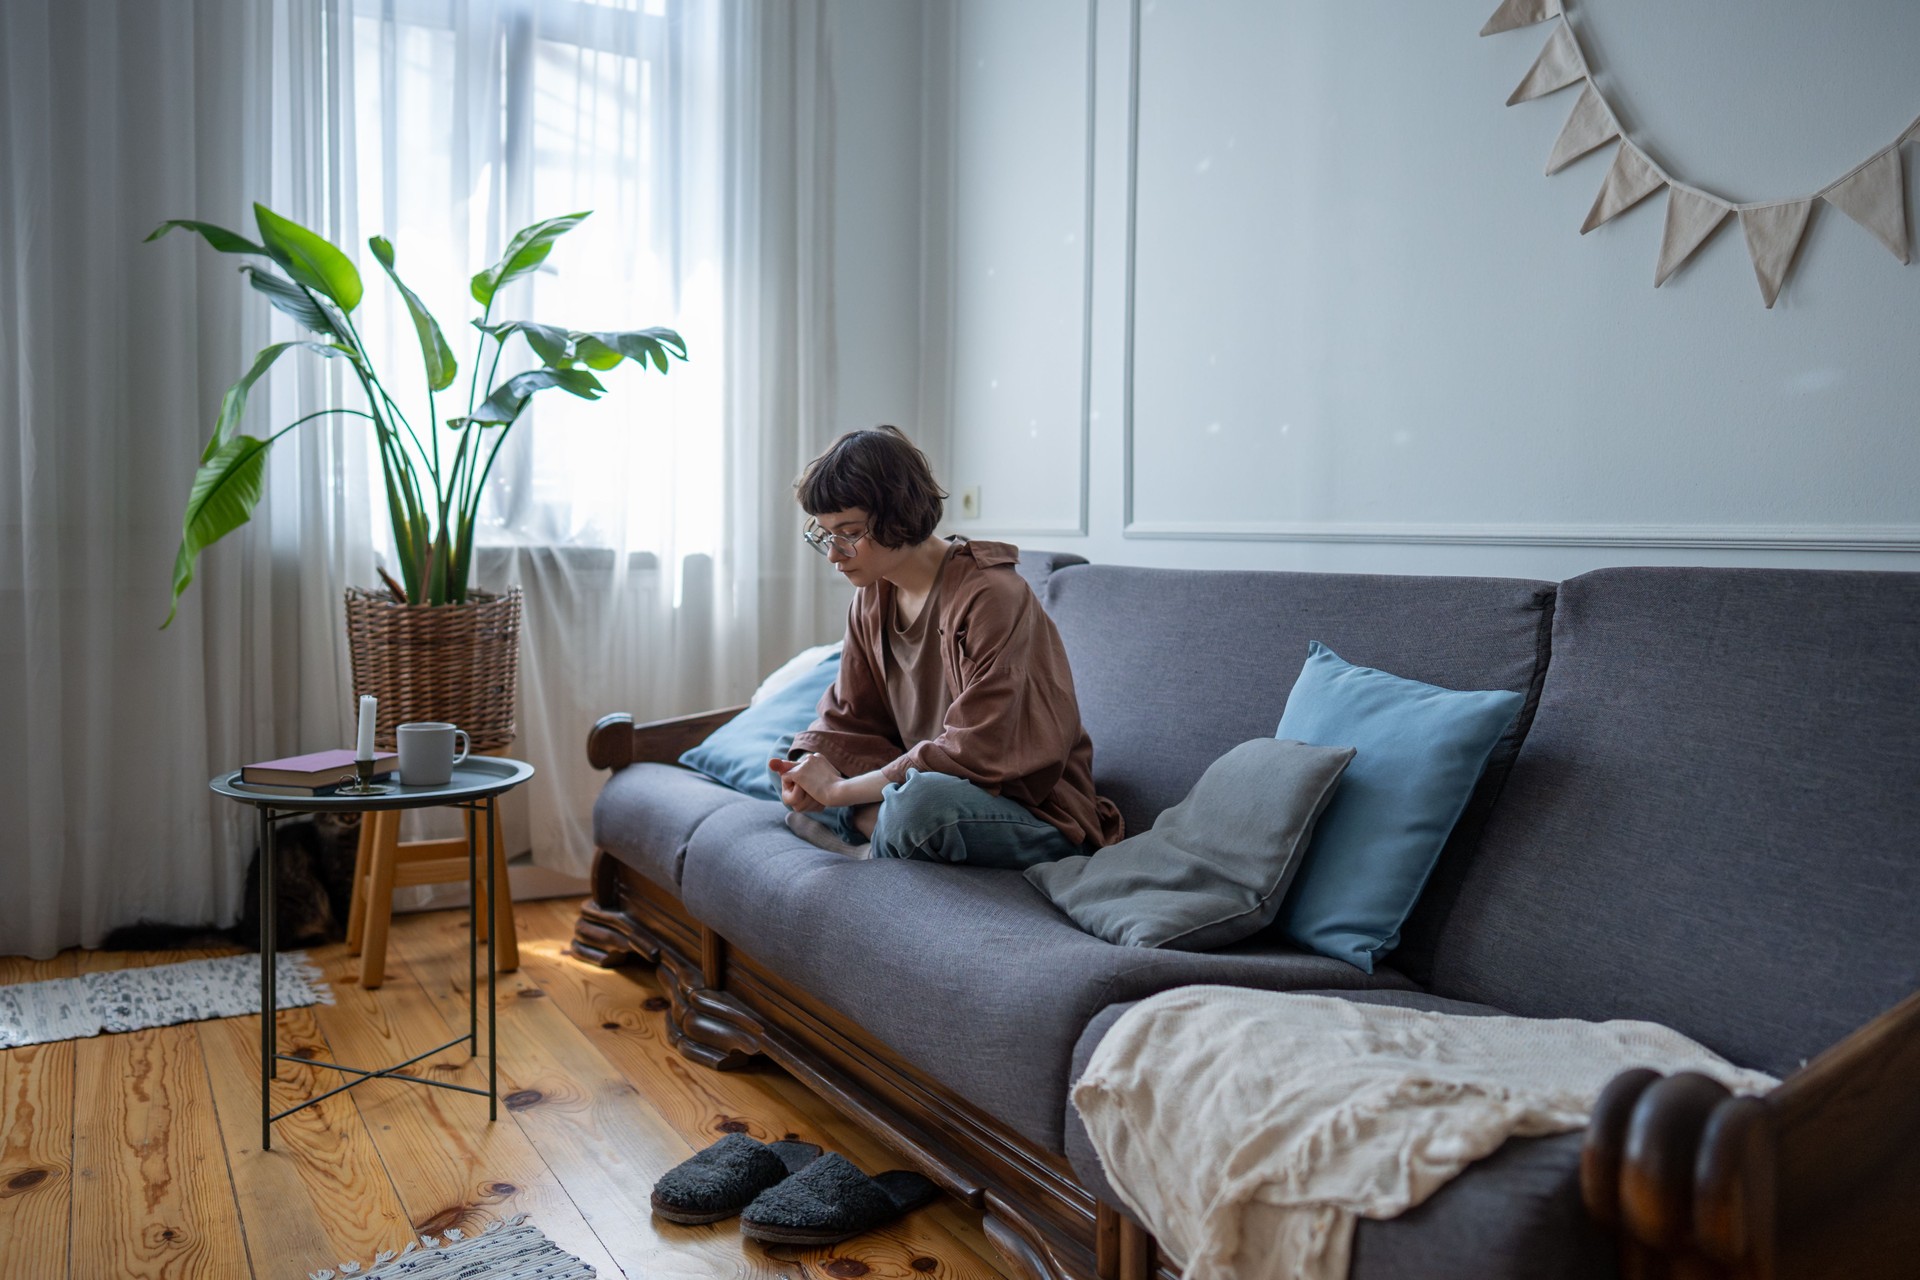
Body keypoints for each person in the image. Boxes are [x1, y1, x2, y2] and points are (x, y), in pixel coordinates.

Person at [769, 425, 1123, 868]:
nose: (834, 556)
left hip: (1028, 810)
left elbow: (981, 749)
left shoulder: (992, 594)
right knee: (790, 754)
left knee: (917, 809)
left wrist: (839, 792)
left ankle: (865, 836)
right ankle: (881, 838)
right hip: (924, 778)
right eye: (824, 535)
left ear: (897, 513)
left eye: (849, 533)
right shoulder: (872, 597)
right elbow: (849, 716)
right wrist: (810, 769)